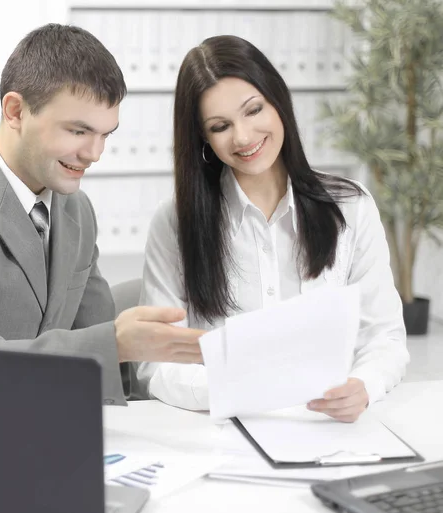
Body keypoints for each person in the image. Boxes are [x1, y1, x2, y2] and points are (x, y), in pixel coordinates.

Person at [0, 24, 205, 406]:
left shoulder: (76, 209)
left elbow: (107, 367)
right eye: (78, 130)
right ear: (15, 111)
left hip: (48, 425)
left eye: (106, 134)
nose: (94, 153)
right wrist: (113, 344)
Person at [138, 35, 408, 422]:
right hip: (224, 431)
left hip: (329, 428)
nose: (244, 137)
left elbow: (385, 338)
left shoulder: (350, 207)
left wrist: (364, 385)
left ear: (277, 100)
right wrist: (235, 390)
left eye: (253, 110)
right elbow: (156, 363)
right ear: (202, 138)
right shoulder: (175, 222)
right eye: (220, 126)